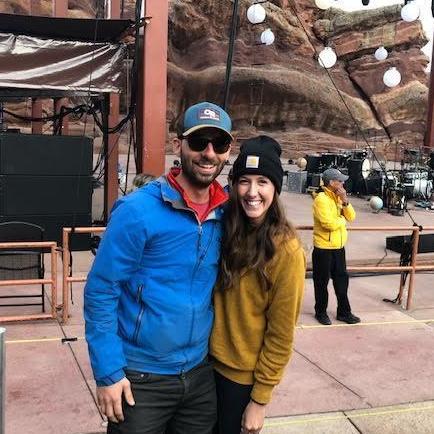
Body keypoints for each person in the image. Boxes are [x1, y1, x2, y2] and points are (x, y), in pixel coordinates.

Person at [84, 101, 233, 434]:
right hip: (141, 379)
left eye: (218, 144)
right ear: (178, 143)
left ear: (227, 151)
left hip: (198, 376)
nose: (208, 153)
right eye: (199, 142)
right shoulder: (137, 210)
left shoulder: (227, 213)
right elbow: (101, 290)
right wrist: (108, 370)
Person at [210, 136, 306, 434]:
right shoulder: (223, 228)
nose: (252, 192)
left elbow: (281, 333)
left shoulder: (286, 251)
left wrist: (260, 400)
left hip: (241, 381)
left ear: (275, 188)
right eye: (244, 181)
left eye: (262, 181)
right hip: (203, 368)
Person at [312, 168, 360, 325]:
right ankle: (320, 312)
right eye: (339, 180)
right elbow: (328, 224)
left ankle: (344, 312)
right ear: (331, 182)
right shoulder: (321, 199)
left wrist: (345, 200)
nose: (342, 183)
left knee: (341, 281)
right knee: (321, 282)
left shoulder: (338, 198)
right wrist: (342, 220)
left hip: (339, 248)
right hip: (323, 248)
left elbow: (352, 217)